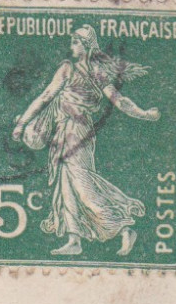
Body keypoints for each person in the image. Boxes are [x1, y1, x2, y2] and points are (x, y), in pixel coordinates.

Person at [11, 24, 161, 257]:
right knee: (66, 185)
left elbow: (117, 100)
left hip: (77, 132)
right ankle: (74, 239)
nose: (71, 45)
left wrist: (143, 114)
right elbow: (47, 98)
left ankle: (123, 228)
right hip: (66, 131)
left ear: (86, 45)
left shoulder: (75, 70)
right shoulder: (84, 71)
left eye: (75, 41)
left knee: (82, 184)